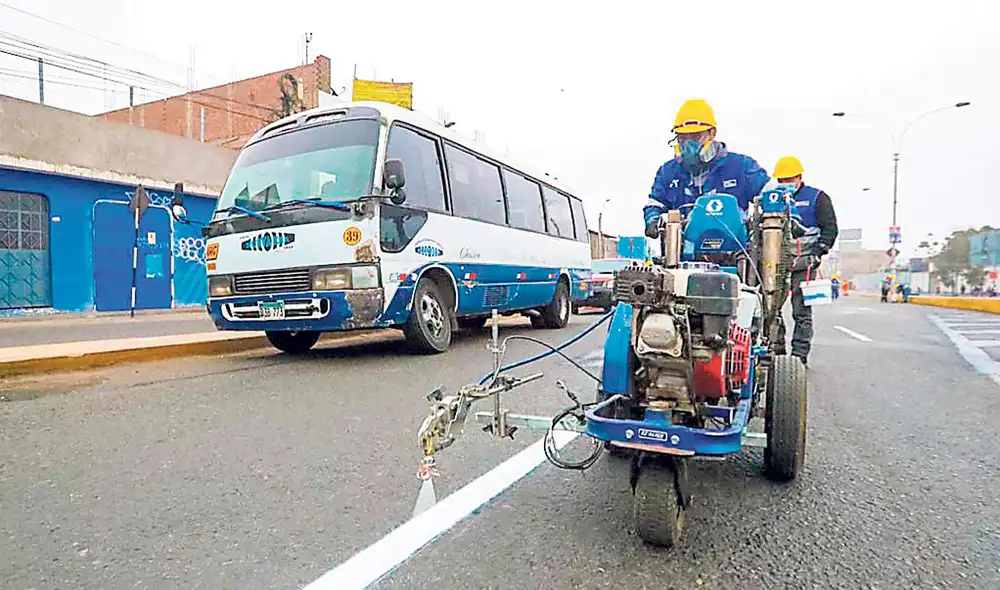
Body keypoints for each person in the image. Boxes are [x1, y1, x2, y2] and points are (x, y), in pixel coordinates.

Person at [644, 99, 770, 238]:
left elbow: (772, 194)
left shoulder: (741, 167)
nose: (688, 144)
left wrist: (789, 217)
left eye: (696, 136)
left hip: (737, 250)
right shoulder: (668, 172)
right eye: (683, 138)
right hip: (685, 251)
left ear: (712, 133)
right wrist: (653, 220)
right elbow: (655, 203)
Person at [770, 156, 839, 367]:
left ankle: (799, 356)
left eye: (789, 179)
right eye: (781, 180)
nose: (785, 184)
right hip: (778, 264)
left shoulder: (817, 198)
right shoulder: (773, 199)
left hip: (806, 263)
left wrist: (821, 250)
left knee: (801, 312)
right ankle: (777, 352)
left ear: (799, 177)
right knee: (771, 310)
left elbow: (830, 228)